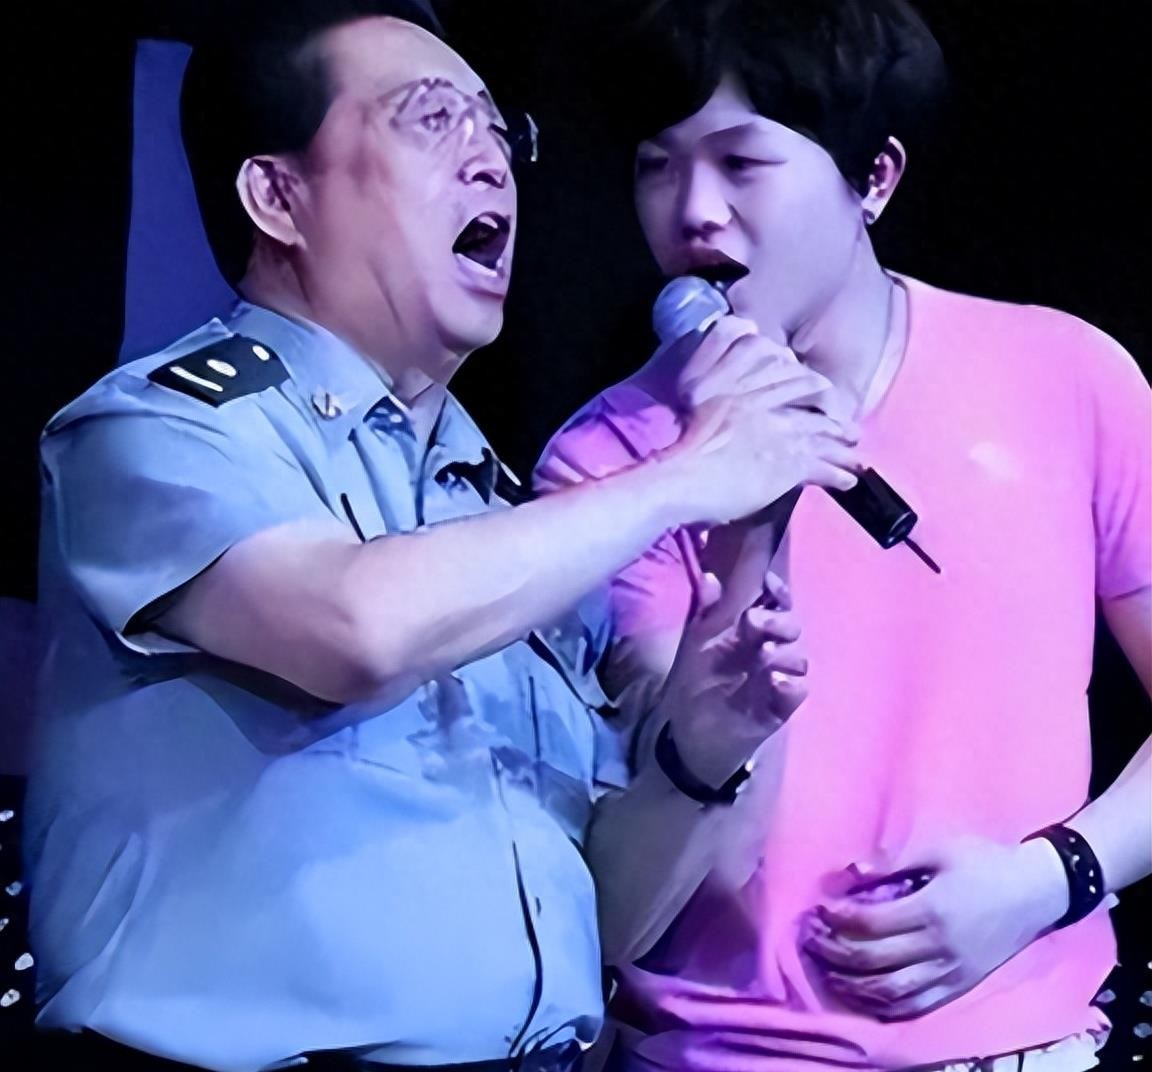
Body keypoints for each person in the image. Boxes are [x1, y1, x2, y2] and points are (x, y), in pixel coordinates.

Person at [24, 2, 862, 1070]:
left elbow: (606, 921)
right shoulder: (159, 429)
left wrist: (700, 749)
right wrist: (687, 474)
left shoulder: (507, 520)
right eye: (431, 119)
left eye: (498, 129)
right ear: (277, 197)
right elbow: (355, 628)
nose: (490, 162)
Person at [536, 1, 1152, 1069]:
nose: (694, 214)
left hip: (1029, 1044)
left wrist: (1051, 876)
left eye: (741, 163)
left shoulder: (1068, 376)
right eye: (656, 167)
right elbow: (639, 894)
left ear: (874, 178)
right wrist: (745, 506)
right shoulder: (607, 467)